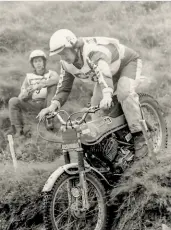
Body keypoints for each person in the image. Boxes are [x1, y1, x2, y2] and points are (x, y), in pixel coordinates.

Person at [38, 29, 148, 159]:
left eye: (64, 53)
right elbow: (64, 88)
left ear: (73, 47)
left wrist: (107, 95)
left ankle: (140, 136)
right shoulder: (66, 64)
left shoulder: (92, 52)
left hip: (127, 63)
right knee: (95, 109)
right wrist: (52, 107)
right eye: (59, 55)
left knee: (124, 92)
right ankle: (109, 148)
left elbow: (104, 74)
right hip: (107, 75)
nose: (63, 57)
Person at [8, 49, 58, 137]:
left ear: (44, 62)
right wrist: (28, 92)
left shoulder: (51, 73)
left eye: (40, 61)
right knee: (13, 101)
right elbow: (21, 96)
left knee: (52, 86)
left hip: (48, 104)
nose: (38, 63)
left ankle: (49, 122)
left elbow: (57, 79)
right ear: (33, 64)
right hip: (34, 104)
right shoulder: (28, 77)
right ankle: (18, 131)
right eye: (35, 62)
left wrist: (41, 84)